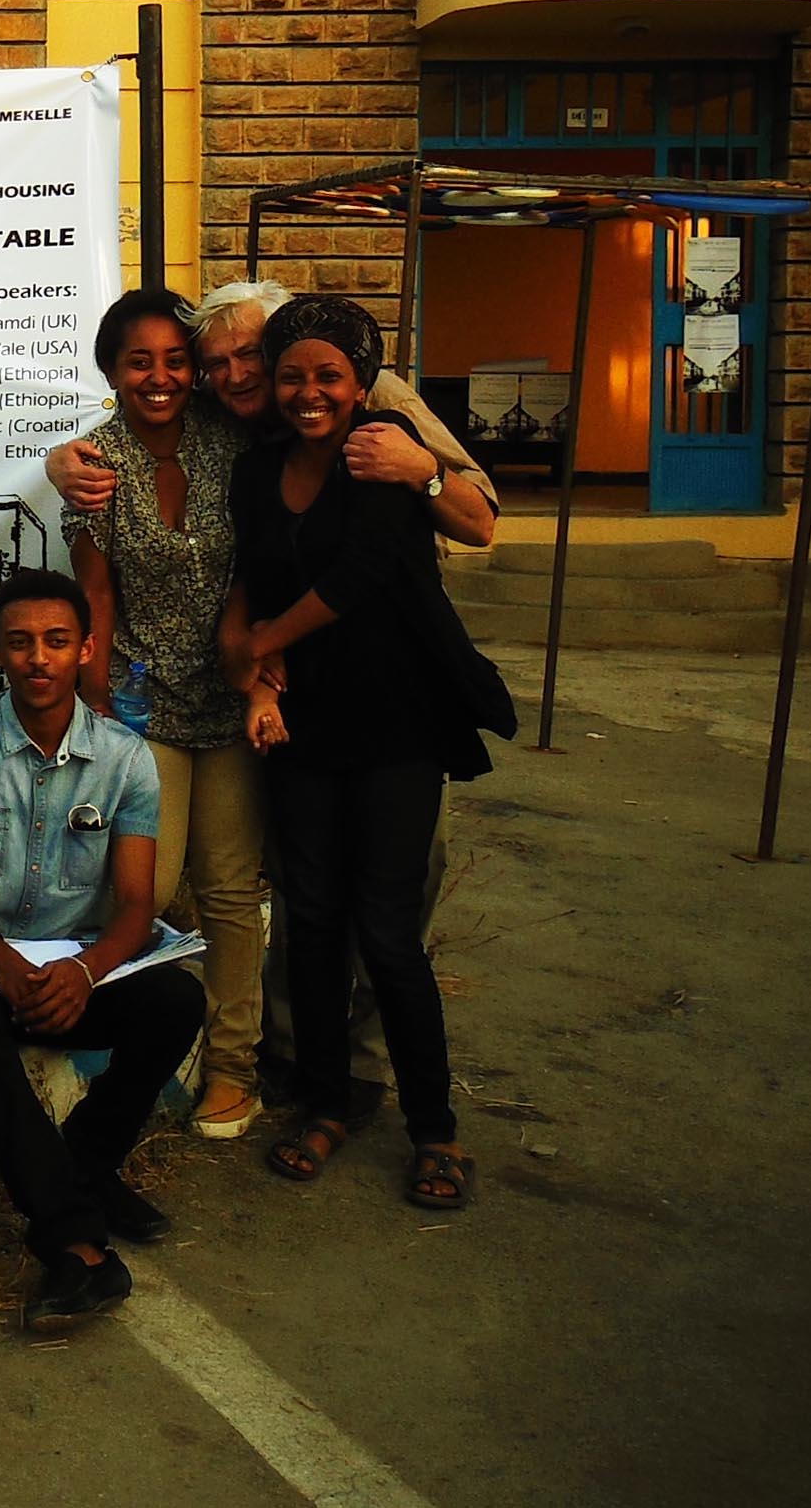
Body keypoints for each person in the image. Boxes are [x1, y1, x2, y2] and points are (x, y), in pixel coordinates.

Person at [47, 277, 496, 1106]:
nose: (235, 374)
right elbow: (176, 566)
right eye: (215, 361)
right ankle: (289, 1055)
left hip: (386, 689)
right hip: (268, 700)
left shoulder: (373, 407)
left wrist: (424, 469)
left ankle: (361, 1070)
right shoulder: (224, 438)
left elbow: (470, 523)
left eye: (249, 354)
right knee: (295, 888)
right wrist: (58, 459)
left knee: (387, 901)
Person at [226, 296, 513, 1212]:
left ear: (360, 384)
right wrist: (258, 681)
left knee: (387, 932)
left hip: (396, 723)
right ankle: (324, 1104)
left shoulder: (384, 450)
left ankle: (435, 1129)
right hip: (303, 727)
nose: (308, 392)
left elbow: (361, 575)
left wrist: (264, 641)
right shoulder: (256, 469)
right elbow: (250, 575)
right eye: (290, 376)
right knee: (311, 920)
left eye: (328, 376)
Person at [0, 571, 205, 1331]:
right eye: (19, 642)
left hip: (72, 971)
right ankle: (75, 1240)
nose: (37, 658)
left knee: (177, 999)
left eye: (54, 641)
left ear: (85, 649)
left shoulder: (125, 757)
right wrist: (3, 963)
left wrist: (82, 971)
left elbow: (137, 905)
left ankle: (85, 1162)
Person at [62, 289, 269, 1141]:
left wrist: (246, 640)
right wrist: (94, 702)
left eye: (175, 360)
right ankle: (135, 1044)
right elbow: (95, 592)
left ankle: (232, 1068)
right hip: (142, 705)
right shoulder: (95, 463)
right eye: (138, 361)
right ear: (112, 371)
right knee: (143, 887)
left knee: (229, 889)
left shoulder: (232, 442)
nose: (160, 377)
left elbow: (262, 554)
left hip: (231, 695)